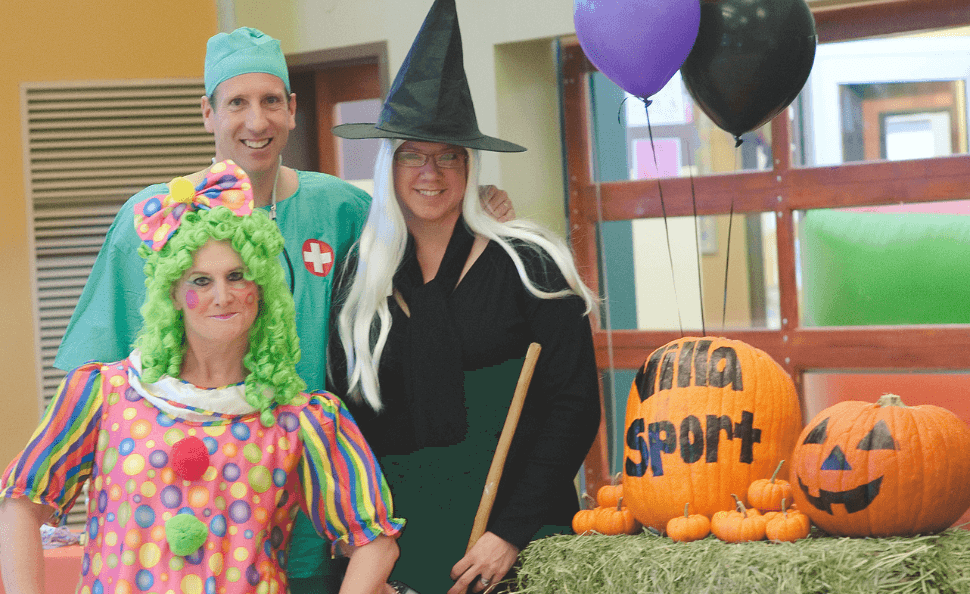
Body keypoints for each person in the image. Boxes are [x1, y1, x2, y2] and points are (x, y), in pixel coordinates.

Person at [52, 26, 510, 591]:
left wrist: (478, 217)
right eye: (236, 103)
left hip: (319, 512)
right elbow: (94, 381)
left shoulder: (342, 209)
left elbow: (426, 256)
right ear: (207, 113)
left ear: (292, 110)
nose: (256, 121)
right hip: (185, 514)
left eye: (271, 101)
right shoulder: (153, 220)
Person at [0, 162, 404, 594]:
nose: (222, 296)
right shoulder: (104, 394)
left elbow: (376, 542)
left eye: (237, 276)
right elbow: (20, 503)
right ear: (173, 293)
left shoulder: (302, 419)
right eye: (200, 281)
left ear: (261, 287)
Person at [329, 1, 600, 592]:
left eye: (449, 154)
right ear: (389, 163)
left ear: (470, 163)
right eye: (413, 153)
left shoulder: (531, 264)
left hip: (520, 550)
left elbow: (574, 406)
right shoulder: (357, 279)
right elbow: (347, 426)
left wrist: (509, 534)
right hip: (397, 557)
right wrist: (363, 548)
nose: (431, 171)